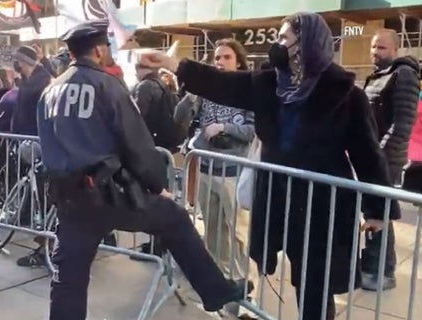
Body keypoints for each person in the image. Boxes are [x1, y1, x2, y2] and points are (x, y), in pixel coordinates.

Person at [138, 12, 399, 320]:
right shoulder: (269, 84)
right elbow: (221, 83)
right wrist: (172, 64)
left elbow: (366, 152)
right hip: (277, 198)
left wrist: (377, 209)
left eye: (284, 38)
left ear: (306, 44)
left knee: (314, 280)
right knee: (289, 268)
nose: (277, 44)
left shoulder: (344, 93)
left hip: (322, 205)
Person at [37, 19, 248, 320]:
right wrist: (156, 184)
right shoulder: (107, 86)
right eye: (107, 47)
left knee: (69, 278)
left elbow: (48, 144)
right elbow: (136, 143)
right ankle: (215, 291)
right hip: (107, 195)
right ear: (98, 50)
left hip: (68, 197)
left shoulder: (50, 91)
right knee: (173, 217)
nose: (109, 51)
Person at [174, 37, 258, 319]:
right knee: (212, 234)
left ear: (239, 62)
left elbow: (250, 131)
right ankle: (220, 290)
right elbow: (179, 118)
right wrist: (189, 95)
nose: (220, 62)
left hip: (234, 173)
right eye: (217, 58)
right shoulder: (205, 92)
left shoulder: (247, 90)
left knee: (236, 235)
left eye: (226, 58)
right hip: (207, 170)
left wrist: (225, 126)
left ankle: (243, 292)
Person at [361, 28, 421, 291]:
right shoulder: (376, 76)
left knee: (379, 211)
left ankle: (382, 272)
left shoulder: (404, 74)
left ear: (395, 50)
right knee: (375, 211)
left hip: (385, 160)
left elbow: (402, 124)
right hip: (371, 156)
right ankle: (376, 267)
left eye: (382, 48)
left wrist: (379, 157)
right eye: (373, 47)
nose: (375, 52)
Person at [10, 45, 52, 135]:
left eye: (17, 60)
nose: (15, 63)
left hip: (35, 134)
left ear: (24, 61)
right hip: (23, 134)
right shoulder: (24, 80)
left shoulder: (42, 80)